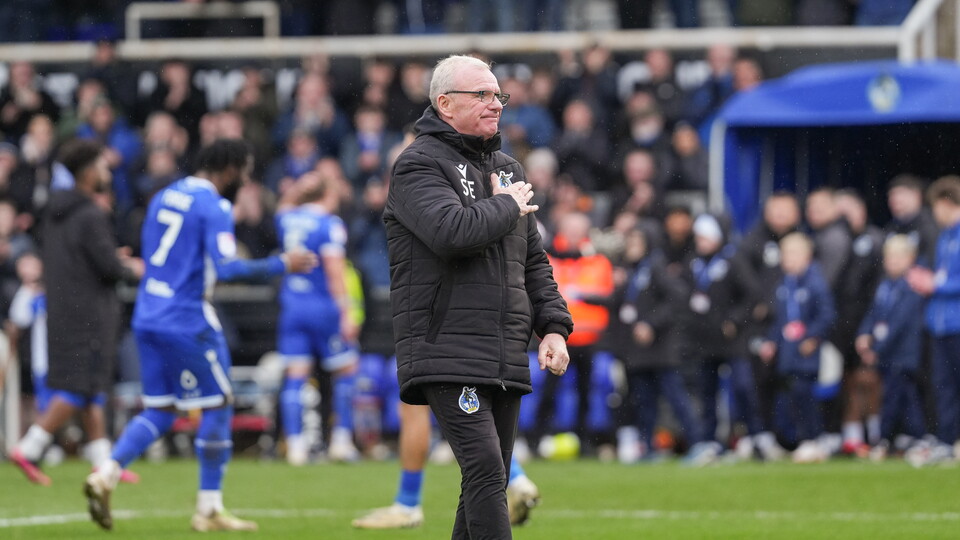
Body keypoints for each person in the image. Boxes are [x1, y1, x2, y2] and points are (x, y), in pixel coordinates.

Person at [382, 54, 573, 540]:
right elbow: (450, 232)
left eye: (498, 96)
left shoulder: (507, 168)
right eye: (482, 95)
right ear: (445, 104)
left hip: (504, 347)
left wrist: (552, 326)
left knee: (487, 479)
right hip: (447, 346)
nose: (496, 105)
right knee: (487, 471)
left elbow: (533, 260)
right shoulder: (417, 164)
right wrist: (506, 205)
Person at [83, 139, 318, 532]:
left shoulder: (164, 195)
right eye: (243, 172)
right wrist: (282, 263)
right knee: (219, 402)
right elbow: (226, 269)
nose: (244, 181)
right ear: (229, 168)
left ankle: (105, 473)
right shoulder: (215, 205)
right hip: (186, 317)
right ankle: (209, 509)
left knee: (160, 408)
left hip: (147, 313)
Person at [9, 140, 143, 486]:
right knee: (78, 388)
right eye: (101, 166)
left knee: (90, 391)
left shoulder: (55, 213)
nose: (107, 172)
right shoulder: (89, 214)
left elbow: (80, 261)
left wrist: (113, 259)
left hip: (63, 312)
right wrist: (130, 266)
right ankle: (29, 447)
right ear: (87, 173)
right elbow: (109, 269)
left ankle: (105, 464)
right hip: (90, 316)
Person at [274, 171, 361, 465]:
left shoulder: (289, 218)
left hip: (292, 306)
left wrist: (299, 187)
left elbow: (282, 206)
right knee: (346, 370)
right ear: (330, 195)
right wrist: (347, 311)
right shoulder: (329, 224)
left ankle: (296, 446)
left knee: (296, 377)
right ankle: (341, 440)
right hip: (322, 307)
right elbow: (335, 270)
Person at [351, 403, 541, 528]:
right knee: (469, 401)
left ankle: (407, 504)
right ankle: (517, 479)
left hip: (434, 344)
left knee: (417, 403)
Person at [759, 232, 836, 463]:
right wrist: (772, 342)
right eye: (785, 255)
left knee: (805, 397)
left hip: (806, 355)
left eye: (793, 254)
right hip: (787, 355)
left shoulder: (816, 283)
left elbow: (827, 316)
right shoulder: (784, 285)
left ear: (807, 255)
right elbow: (780, 321)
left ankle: (813, 440)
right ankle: (789, 441)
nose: (788, 259)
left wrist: (812, 337)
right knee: (786, 399)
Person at [906, 175, 960, 465]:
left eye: (936, 206)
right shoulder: (945, 237)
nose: (934, 213)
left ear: (948, 203)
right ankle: (946, 441)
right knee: (943, 386)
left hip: (957, 324)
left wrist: (936, 285)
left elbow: (948, 281)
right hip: (939, 325)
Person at [856, 235, 926, 460]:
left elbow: (899, 324)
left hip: (903, 353)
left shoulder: (911, 286)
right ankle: (914, 437)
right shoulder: (884, 285)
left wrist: (877, 348)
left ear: (911, 259)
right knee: (903, 396)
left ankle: (885, 439)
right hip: (887, 352)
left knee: (896, 396)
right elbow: (873, 314)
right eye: (890, 257)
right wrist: (864, 335)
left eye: (899, 257)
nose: (894, 261)